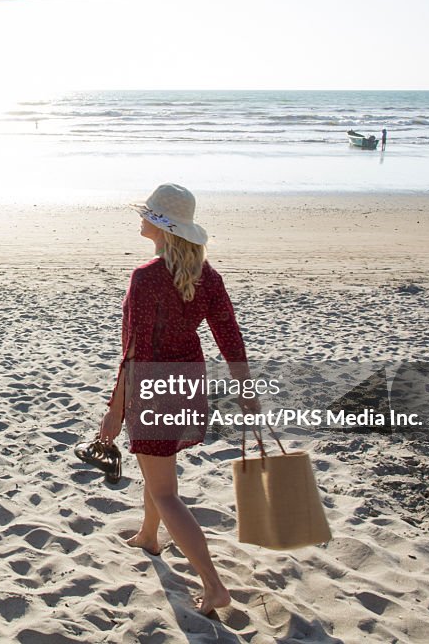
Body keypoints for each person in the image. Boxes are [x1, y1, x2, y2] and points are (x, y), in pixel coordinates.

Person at [99, 182, 258, 617]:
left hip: (151, 386)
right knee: (161, 466)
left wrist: (115, 410)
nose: (141, 217)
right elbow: (230, 337)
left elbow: (131, 350)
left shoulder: (146, 278)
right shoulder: (207, 277)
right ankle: (150, 536)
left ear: (162, 226)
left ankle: (213, 584)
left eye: (148, 213)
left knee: (166, 490)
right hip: (188, 382)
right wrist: (245, 389)